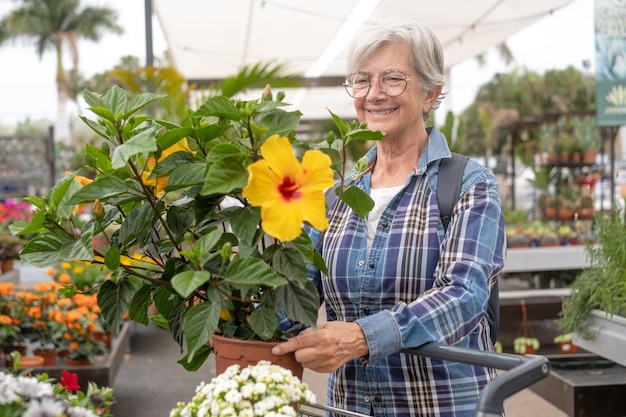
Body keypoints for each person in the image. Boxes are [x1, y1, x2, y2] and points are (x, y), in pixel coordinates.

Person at [272, 20, 506, 417]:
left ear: (431, 93)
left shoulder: (468, 185)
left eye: (393, 79)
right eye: (362, 81)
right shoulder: (337, 194)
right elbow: (296, 288)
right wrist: (235, 300)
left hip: (446, 408)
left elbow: (464, 296)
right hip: (352, 409)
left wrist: (363, 336)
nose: (374, 94)